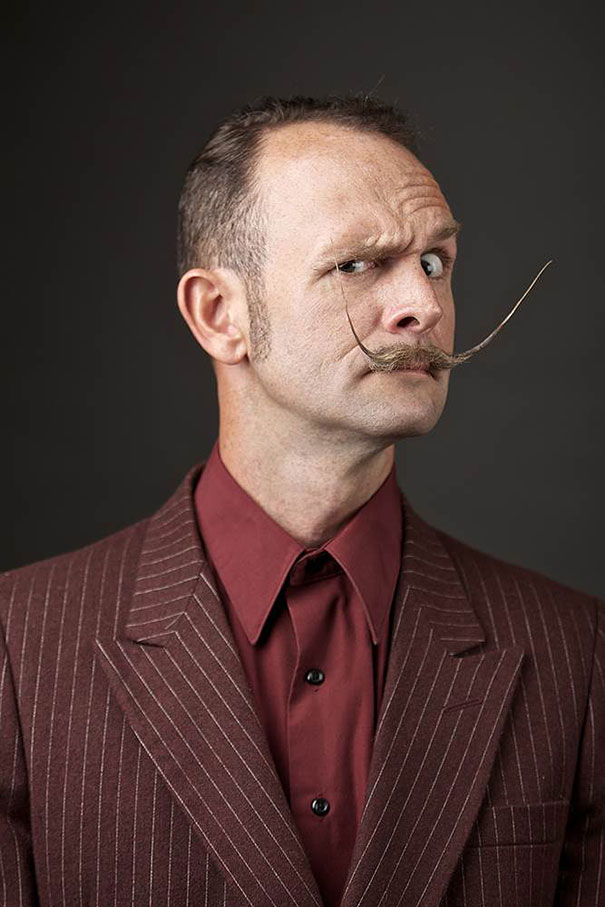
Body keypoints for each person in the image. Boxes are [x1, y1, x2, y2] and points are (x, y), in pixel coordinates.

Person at [1, 95, 603, 907]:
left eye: (434, 261)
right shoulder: (17, 649)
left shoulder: (576, 655)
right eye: (357, 264)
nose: (424, 306)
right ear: (220, 315)